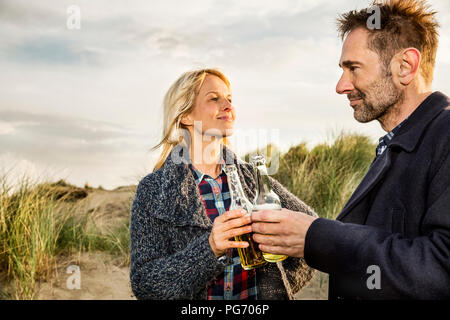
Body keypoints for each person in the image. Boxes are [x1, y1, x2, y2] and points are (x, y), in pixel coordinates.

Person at [251, 0, 450, 299]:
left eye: (353, 68)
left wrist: (314, 236)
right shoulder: (394, 144)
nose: (341, 85)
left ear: (405, 66)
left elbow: (440, 270)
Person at [129, 68, 317, 300]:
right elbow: (145, 284)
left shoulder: (253, 178)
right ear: (185, 116)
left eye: (229, 99)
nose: (228, 106)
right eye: (214, 98)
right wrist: (209, 248)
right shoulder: (153, 191)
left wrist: (275, 289)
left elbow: (313, 235)